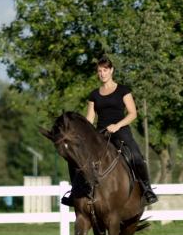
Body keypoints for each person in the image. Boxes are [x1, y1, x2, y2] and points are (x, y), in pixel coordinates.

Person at [61, 56, 158, 206]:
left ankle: (147, 189)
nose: (102, 74)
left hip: (120, 130)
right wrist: (82, 135)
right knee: (77, 156)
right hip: (100, 133)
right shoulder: (94, 94)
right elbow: (90, 118)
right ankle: (75, 191)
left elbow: (132, 113)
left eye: (105, 70)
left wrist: (117, 125)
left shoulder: (123, 90)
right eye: (99, 71)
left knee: (136, 156)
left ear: (111, 70)